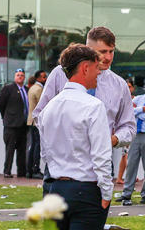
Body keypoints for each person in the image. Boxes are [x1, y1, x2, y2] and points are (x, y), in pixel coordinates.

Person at [36, 44, 112, 230]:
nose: (100, 72)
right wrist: (106, 193)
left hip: (56, 187)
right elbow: (101, 155)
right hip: (86, 191)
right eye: (97, 67)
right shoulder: (93, 106)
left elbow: (45, 153)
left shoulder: (49, 107)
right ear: (85, 68)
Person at [34, 27, 134, 172]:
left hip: (100, 164)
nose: (108, 57)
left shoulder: (119, 86)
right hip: (61, 165)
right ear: (88, 50)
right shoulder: (60, 74)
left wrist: (113, 139)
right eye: (102, 52)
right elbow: (40, 115)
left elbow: (129, 127)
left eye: (111, 51)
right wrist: (60, 142)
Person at [0, 68, 30, 179]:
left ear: (24, 77)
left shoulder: (27, 89)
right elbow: (1, 104)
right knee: (10, 149)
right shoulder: (8, 88)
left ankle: (22, 172)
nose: (20, 77)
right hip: (11, 124)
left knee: (22, 150)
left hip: (23, 124)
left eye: (22, 75)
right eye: (18, 75)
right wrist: (5, 117)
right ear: (14, 77)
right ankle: (7, 171)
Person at [120, 89, 145, 205]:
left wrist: (139, 113)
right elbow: (130, 111)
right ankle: (126, 194)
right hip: (136, 135)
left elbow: (138, 115)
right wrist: (142, 110)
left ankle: (144, 195)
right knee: (131, 165)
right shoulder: (138, 98)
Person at [26, 70, 47, 178]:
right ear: (38, 78)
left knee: (33, 145)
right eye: (43, 77)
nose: (45, 79)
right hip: (36, 122)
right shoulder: (39, 89)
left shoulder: (32, 87)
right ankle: (35, 169)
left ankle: (29, 170)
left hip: (31, 120)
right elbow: (42, 105)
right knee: (36, 146)